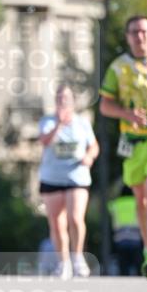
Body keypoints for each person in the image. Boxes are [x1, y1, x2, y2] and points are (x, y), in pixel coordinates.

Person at [99, 15, 147, 280]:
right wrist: (127, 115)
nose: (139, 36)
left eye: (144, 31)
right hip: (132, 143)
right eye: (134, 32)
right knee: (141, 200)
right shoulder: (118, 68)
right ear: (127, 37)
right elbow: (105, 105)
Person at [38, 84, 99, 278]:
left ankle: (78, 257)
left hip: (77, 176)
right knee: (56, 223)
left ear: (73, 101)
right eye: (59, 98)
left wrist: (89, 157)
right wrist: (59, 124)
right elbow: (45, 141)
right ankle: (63, 263)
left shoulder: (83, 123)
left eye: (66, 98)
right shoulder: (47, 121)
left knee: (75, 218)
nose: (62, 101)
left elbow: (94, 146)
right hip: (52, 178)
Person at [107, 185, 144, 277]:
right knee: (138, 263)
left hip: (120, 238)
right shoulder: (137, 203)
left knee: (123, 265)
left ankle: (125, 280)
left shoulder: (116, 204)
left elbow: (109, 207)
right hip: (136, 238)